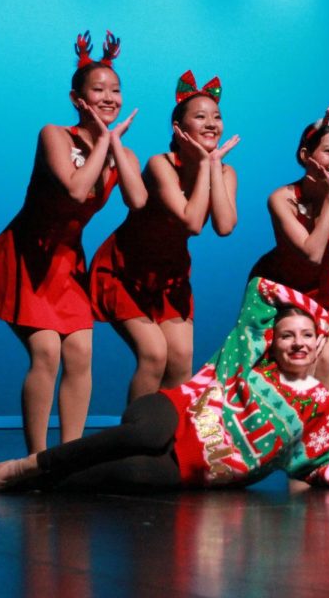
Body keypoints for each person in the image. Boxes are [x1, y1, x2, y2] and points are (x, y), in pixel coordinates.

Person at [0, 279, 329, 493]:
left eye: (306, 336)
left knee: (131, 476)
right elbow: (261, 288)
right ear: (273, 341)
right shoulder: (248, 358)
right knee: (147, 434)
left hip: (197, 468)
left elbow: (317, 463)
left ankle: (36, 484)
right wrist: (321, 316)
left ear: (318, 345)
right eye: (287, 335)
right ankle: (29, 465)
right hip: (175, 412)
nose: (297, 343)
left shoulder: (321, 407)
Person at [0, 31, 147, 453]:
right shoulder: (55, 135)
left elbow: (137, 200)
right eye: (98, 90)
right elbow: (75, 190)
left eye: (115, 90)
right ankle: (37, 458)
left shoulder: (122, 152)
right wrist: (103, 140)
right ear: (76, 98)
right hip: (26, 255)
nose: (109, 98)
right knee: (46, 350)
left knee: (81, 352)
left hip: (67, 263)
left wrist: (114, 143)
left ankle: (68, 455)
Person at [90, 71, 239, 402]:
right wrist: (205, 167)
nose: (212, 123)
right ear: (179, 129)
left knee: (181, 360)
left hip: (170, 276)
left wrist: (212, 166)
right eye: (200, 117)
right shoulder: (161, 165)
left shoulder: (225, 171)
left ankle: (164, 445)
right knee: (154, 355)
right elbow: (192, 223)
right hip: (126, 271)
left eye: (217, 116)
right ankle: (132, 441)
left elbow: (225, 226)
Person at [248, 105, 329, 389]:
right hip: (277, 292)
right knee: (277, 374)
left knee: (324, 363)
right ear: (306, 156)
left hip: (322, 293)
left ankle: (318, 432)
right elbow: (312, 252)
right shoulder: (282, 198)